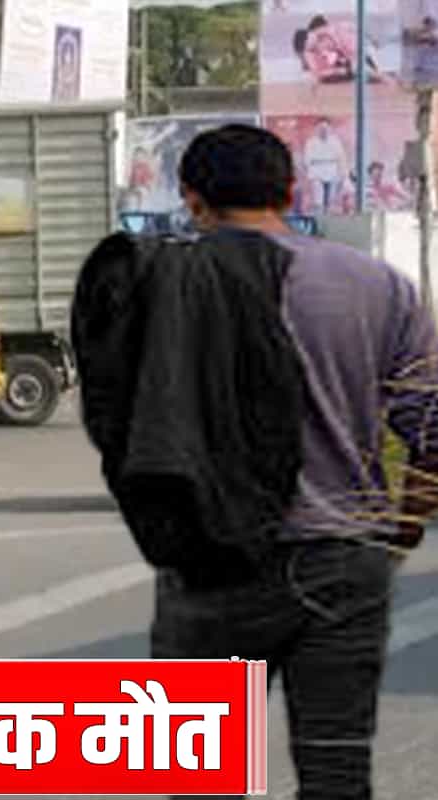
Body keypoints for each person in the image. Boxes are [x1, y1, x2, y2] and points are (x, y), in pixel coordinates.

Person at [156, 124, 435, 798]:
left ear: (192, 199)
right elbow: (431, 431)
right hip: (345, 556)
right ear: (291, 191)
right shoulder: (380, 287)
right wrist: (401, 529)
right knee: (336, 773)